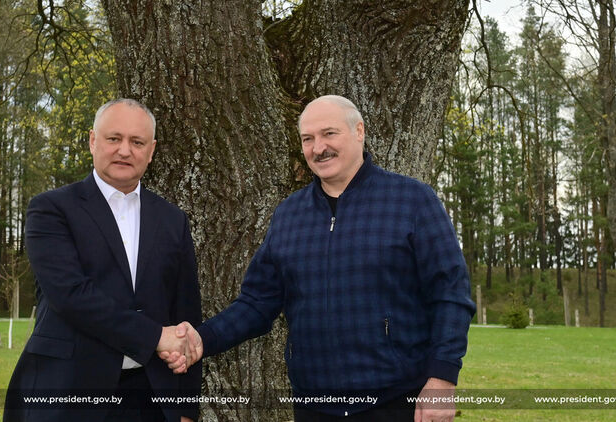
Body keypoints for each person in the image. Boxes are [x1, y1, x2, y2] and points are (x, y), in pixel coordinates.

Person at [164, 95, 475, 422]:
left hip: (396, 402)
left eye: (329, 134)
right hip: (314, 406)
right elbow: (257, 303)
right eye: (307, 139)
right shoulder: (289, 214)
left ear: (359, 131)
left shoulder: (411, 201)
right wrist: (202, 338)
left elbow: (450, 294)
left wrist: (442, 378)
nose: (318, 148)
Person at [4, 99, 202, 422]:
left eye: (137, 142)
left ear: (151, 151)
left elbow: (187, 314)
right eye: (114, 138)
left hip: (151, 400)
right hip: (68, 395)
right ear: (93, 141)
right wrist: (155, 337)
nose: (125, 150)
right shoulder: (51, 210)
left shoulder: (172, 220)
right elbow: (71, 296)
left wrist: (185, 409)